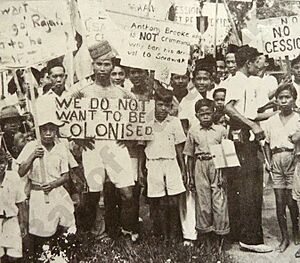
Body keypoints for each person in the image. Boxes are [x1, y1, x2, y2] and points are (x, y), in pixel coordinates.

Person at [79, 41, 138, 241]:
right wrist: (78, 136)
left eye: (107, 64)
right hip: (93, 146)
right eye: (99, 64)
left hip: (115, 146)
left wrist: (128, 136)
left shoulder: (123, 93)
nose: (103, 69)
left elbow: (139, 119)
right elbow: (66, 116)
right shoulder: (83, 92)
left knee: (127, 193)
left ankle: (127, 231)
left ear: (113, 66)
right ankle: (99, 232)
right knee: (95, 193)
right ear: (93, 66)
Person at [224, 45, 273, 253]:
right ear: (248, 63)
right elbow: (228, 107)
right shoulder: (237, 81)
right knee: (249, 188)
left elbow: (251, 113)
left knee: (246, 187)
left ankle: (239, 233)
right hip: (241, 138)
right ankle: (250, 239)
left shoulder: (248, 82)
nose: (258, 65)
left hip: (248, 137)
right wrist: (252, 125)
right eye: (256, 62)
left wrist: (272, 110)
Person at [17, 113, 76, 259]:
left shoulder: (61, 148)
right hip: (38, 193)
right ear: (39, 131)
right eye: (44, 130)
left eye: (52, 129)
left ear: (56, 131)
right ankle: (44, 256)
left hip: (57, 191)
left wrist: (53, 184)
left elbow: (66, 176)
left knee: (68, 224)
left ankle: (64, 255)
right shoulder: (31, 146)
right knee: (42, 230)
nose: (48, 133)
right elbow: (20, 171)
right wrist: (33, 156)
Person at [141, 88, 186, 243]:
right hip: (153, 164)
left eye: (167, 105)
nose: (163, 109)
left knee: (173, 201)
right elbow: (142, 147)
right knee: (159, 201)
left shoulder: (174, 122)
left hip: (171, 163)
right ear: (153, 104)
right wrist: (142, 169)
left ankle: (173, 235)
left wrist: (183, 168)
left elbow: (179, 147)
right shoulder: (146, 121)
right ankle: (163, 234)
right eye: (160, 104)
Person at [184, 99, 229, 252]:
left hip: (217, 165)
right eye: (201, 114)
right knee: (203, 202)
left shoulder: (221, 130)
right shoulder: (193, 131)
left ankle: (220, 237)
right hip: (200, 165)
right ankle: (205, 238)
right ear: (197, 115)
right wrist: (189, 176)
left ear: (213, 113)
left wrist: (223, 174)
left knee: (219, 201)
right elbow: (189, 155)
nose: (205, 117)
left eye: (208, 113)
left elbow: (226, 153)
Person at [263, 83, 300, 252]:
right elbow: (266, 144)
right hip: (276, 160)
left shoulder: (298, 119)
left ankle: (296, 233)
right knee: (279, 202)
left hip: (293, 160)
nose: (284, 101)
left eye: (287, 97)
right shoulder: (271, 121)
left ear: (294, 99)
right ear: (276, 100)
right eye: (281, 98)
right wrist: (268, 162)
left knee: (293, 201)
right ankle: (284, 237)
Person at [0, 147, 27, 262]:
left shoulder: (13, 177)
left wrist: (22, 223)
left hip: (12, 220)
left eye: (2, 162)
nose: (0, 167)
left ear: (6, 162)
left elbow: (20, 202)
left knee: (14, 256)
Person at [178, 57, 216, 131]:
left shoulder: (213, 96)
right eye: (198, 79)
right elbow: (183, 128)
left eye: (205, 79)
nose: (201, 83)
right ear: (193, 80)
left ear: (211, 80)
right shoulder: (187, 100)